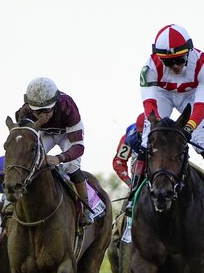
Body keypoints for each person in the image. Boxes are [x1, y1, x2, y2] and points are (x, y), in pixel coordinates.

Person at [134, 23, 204, 226]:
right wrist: (156, 124)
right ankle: (132, 201)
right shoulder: (149, 67)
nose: (175, 66)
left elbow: (201, 104)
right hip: (162, 95)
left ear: (189, 52)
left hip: (191, 97)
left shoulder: (203, 65)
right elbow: (149, 104)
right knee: (148, 139)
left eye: (179, 60)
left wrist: (189, 127)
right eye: (169, 62)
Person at [15, 77, 104, 225]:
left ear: (55, 102)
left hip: (66, 133)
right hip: (44, 132)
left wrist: (59, 158)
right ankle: (13, 200)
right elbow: (22, 138)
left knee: (71, 166)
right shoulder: (25, 111)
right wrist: (38, 123)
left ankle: (87, 209)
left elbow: (78, 147)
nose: (43, 114)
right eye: (38, 111)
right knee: (29, 159)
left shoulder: (67, 106)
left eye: (47, 110)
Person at [112, 113, 145, 188]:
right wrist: (130, 183)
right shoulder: (129, 138)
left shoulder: (168, 135)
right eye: (141, 134)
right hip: (139, 166)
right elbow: (118, 162)